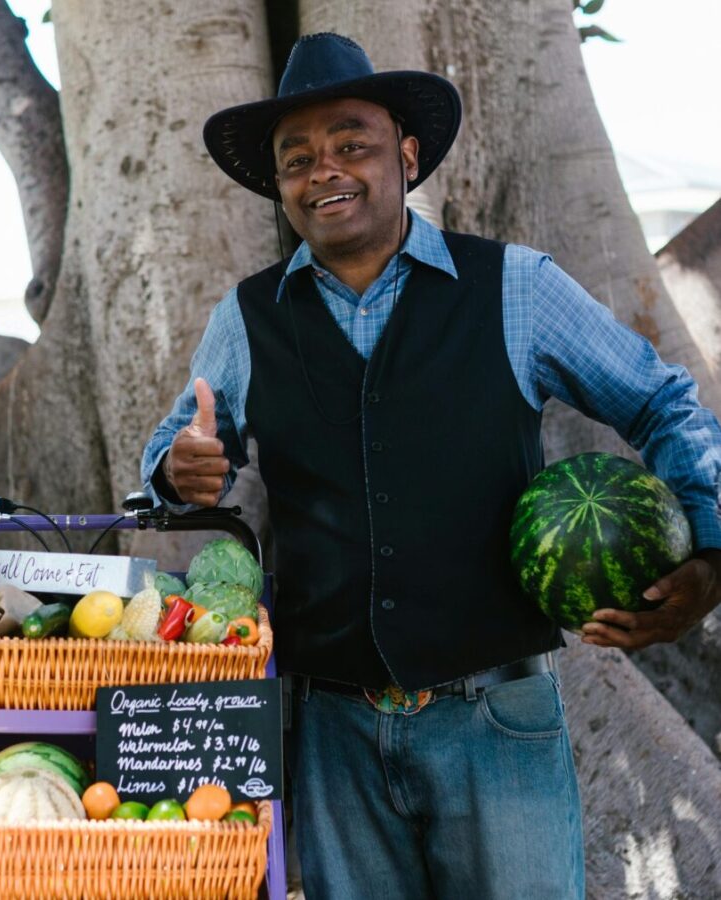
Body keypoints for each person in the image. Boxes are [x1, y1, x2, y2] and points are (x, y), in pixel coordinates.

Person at [141, 32, 721, 899]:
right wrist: (180, 471)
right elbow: (174, 452)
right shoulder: (248, 316)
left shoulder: (513, 287)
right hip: (331, 729)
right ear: (280, 185)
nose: (323, 169)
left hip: (498, 719)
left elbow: (662, 401)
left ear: (405, 155)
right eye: (296, 158)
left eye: (351, 143)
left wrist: (707, 551)